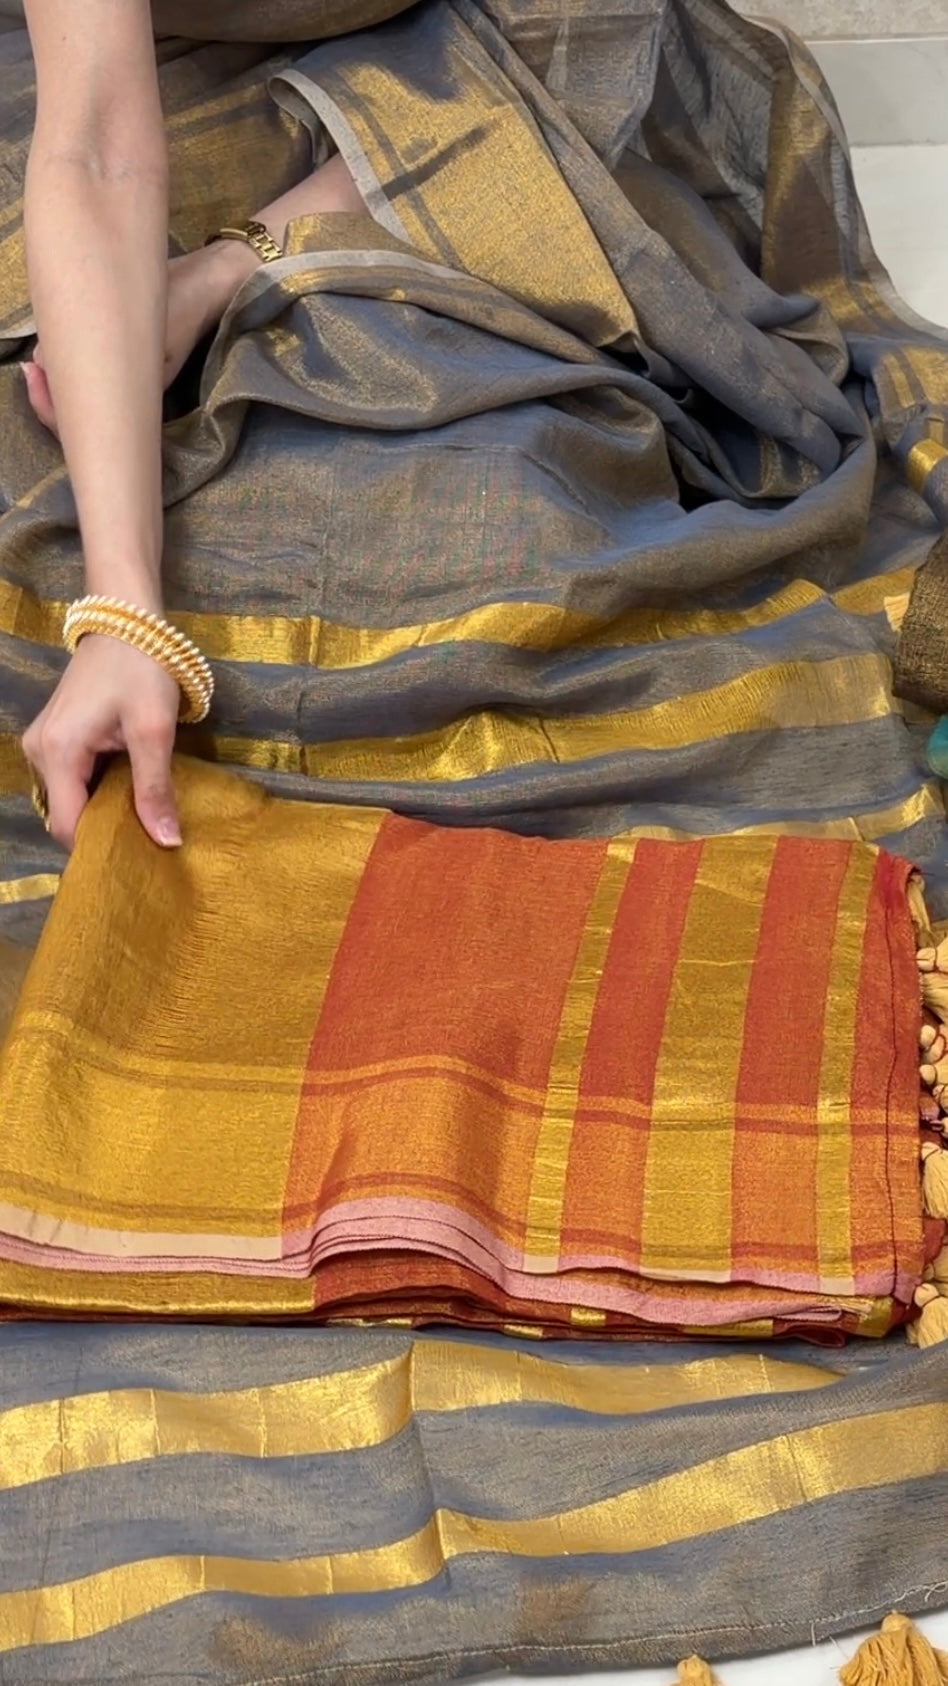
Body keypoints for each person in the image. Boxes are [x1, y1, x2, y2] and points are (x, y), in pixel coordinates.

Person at [20, 0, 367, 852]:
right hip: (141, 93)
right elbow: (98, 149)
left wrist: (223, 271)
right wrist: (124, 613)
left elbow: (562, 75)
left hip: (455, 102)